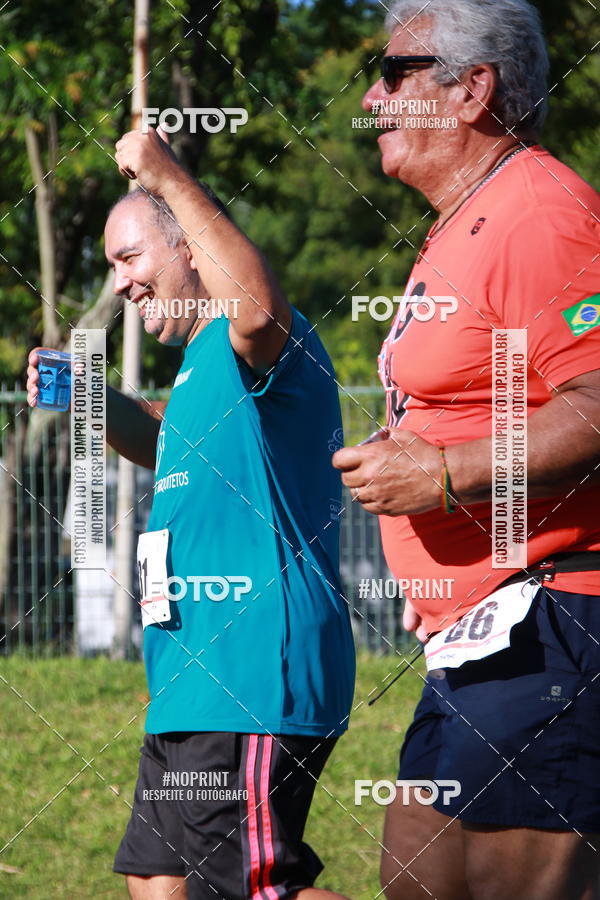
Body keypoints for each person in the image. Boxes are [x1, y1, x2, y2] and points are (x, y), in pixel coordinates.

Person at [27, 126, 355, 900]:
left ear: (188, 248)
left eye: (130, 258)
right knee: (157, 879)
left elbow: (259, 312)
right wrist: (87, 393)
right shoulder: (201, 366)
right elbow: (161, 437)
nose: (121, 284)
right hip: (187, 682)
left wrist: (168, 176)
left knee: (249, 891)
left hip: (249, 676)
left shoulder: (255, 339)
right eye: (112, 267)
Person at [332, 1, 600, 898]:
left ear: (472, 89)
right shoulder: (469, 220)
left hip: (554, 626)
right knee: (416, 881)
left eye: (393, 71)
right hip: (487, 628)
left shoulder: (539, 213)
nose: (371, 98)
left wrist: (446, 476)